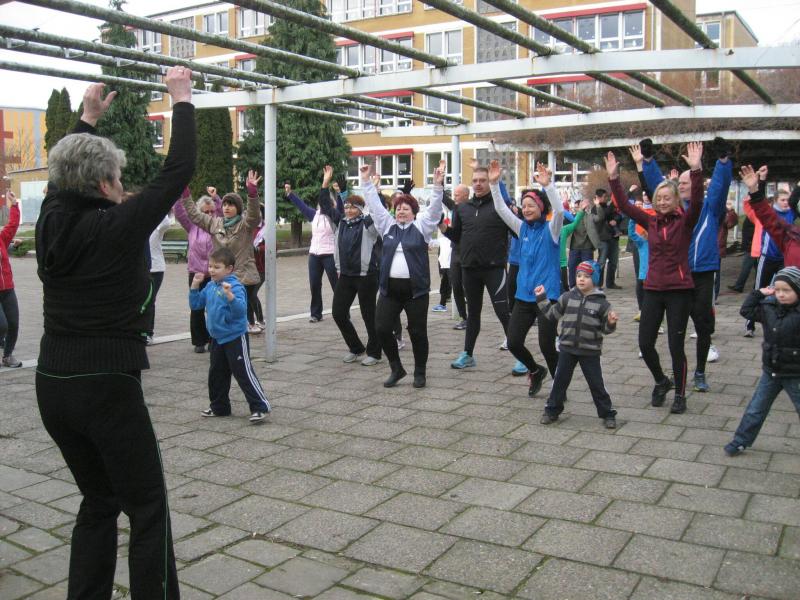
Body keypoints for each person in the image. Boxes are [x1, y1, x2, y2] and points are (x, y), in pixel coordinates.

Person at [34, 67, 193, 599]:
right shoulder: (116, 224)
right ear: (104, 185)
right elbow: (177, 171)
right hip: (106, 384)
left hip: (53, 384)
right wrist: (181, 99)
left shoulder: (51, 218)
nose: (125, 188)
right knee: (147, 507)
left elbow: (63, 174)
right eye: (119, 180)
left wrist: (87, 119)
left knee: (99, 500)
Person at [605, 142, 704, 414]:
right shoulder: (650, 221)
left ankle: (680, 394)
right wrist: (613, 178)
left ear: (676, 200)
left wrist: (696, 170)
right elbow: (625, 206)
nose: (662, 202)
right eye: (658, 198)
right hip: (653, 289)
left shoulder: (685, 221)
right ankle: (661, 381)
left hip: (679, 291)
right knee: (645, 343)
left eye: (667, 198)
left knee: (675, 345)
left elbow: (697, 202)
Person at [636, 138, 733, 393]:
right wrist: (648, 160)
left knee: (703, 325)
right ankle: (669, 378)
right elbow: (658, 186)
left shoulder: (709, 207)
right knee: (674, 335)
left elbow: (720, 186)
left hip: (702, 273)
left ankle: (699, 371)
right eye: (680, 183)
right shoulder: (674, 211)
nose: (681, 186)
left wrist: (723, 161)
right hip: (677, 278)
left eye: (686, 182)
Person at [362, 160, 444, 388]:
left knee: (417, 332)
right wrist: (366, 182)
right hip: (389, 291)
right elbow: (375, 207)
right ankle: (396, 368)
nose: (401, 211)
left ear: (414, 213)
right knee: (381, 328)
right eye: (398, 208)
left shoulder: (422, 227)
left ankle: (420, 371)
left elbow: (435, 210)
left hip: (416, 292)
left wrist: (438, 186)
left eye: (406, 209)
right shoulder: (387, 226)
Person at [489, 160, 564, 396]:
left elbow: (559, 211)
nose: (527, 209)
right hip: (523, 296)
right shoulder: (521, 229)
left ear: (541, 207)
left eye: (531, 205)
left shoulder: (552, 230)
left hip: (546, 296)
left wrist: (548, 186)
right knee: (513, 342)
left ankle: (559, 384)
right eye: (524, 206)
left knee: (546, 344)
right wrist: (494, 184)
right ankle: (535, 370)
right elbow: (501, 210)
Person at [725, 266, 800, 456]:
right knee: (756, 409)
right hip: (771, 371)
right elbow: (746, 311)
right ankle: (740, 441)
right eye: (778, 289)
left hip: (795, 373)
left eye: (787, 290)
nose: (781, 294)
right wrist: (758, 293)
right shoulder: (769, 307)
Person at [189, 247, 271, 422]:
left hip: (235, 337)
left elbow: (241, 312)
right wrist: (194, 286)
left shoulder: (235, 286)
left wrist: (230, 296)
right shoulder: (210, 286)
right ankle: (219, 407)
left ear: (229, 269)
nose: (212, 270)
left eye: (217, 267)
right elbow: (196, 305)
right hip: (217, 338)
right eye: (210, 266)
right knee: (216, 374)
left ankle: (260, 406)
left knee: (243, 372)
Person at [444, 164, 513, 370]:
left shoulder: (500, 206)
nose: (478, 184)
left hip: (494, 268)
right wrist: (442, 227)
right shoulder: (462, 208)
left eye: (482, 180)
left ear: (490, 182)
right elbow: (456, 236)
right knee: (473, 313)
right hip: (470, 269)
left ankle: (520, 356)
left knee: (503, 312)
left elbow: (516, 230)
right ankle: (468, 354)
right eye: (475, 181)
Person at [534, 261, 619, 428]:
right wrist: (542, 298)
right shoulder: (567, 297)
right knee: (559, 381)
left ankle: (607, 413)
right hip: (567, 349)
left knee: (596, 384)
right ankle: (551, 410)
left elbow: (606, 330)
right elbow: (552, 315)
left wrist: (611, 323)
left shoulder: (602, 304)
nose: (581, 279)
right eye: (579, 275)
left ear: (594, 279)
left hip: (590, 351)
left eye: (586, 276)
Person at [182, 170, 264, 333]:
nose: (226, 207)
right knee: (218, 312)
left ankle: (236, 338)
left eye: (231, 205)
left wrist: (252, 193)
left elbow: (254, 215)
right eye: (225, 204)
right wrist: (185, 192)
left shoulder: (245, 225)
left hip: (242, 277)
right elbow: (194, 214)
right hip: (221, 276)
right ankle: (218, 338)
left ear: (238, 208)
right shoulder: (215, 223)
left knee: (234, 315)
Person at [330, 169, 382, 367]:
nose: (349, 210)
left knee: (369, 315)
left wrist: (372, 190)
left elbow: (373, 213)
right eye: (346, 207)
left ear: (360, 209)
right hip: (346, 275)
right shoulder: (341, 224)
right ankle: (356, 347)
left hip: (366, 275)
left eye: (353, 207)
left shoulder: (368, 225)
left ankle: (375, 352)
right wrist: (342, 193)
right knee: (338, 313)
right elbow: (329, 208)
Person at [173, 187, 223, 353]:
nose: (209, 214)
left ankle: (214, 339)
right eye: (205, 211)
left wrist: (216, 198)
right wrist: (180, 194)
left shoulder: (216, 224)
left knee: (214, 308)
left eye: (211, 211)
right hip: (196, 273)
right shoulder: (192, 225)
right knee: (196, 308)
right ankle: (199, 341)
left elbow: (222, 212)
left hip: (215, 274)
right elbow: (180, 212)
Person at [285, 177, 339, 323]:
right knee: (314, 285)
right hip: (314, 255)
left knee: (336, 284)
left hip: (330, 254)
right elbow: (301, 206)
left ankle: (342, 311)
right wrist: (290, 194)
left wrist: (338, 194)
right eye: (320, 202)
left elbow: (340, 207)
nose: (321, 204)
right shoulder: (314, 215)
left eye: (325, 202)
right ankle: (316, 313)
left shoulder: (334, 216)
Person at [443, 183, 470, 330]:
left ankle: (472, 317)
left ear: (466, 195)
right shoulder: (455, 207)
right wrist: (439, 183)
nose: (454, 197)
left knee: (469, 286)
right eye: (454, 194)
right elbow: (443, 198)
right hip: (455, 252)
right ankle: (463, 318)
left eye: (457, 195)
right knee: (456, 285)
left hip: (467, 252)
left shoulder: (471, 208)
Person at [0, 190, 21, 368]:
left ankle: (8, 356)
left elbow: (13, 225)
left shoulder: (2, 238)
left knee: (13, 323)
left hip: (7, 289)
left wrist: (14, 204)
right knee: (2, 325)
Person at [145, 212, 172, 345]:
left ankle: (148, 333)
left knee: (150, 300)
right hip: (141, 268)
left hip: (156, 269)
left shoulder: (157, 227)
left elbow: (167, 222)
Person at [590, 188, 621, 290]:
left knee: (614, 261)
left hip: (613, 237)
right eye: (604, 197)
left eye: (606, 196)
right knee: (601, 262)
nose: (606, 198)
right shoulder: (595, 209)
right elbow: (603, 216)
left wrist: (615, 220)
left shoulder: (608, 206)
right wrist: (611, 204)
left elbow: (617, 215)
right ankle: (598, 284)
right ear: (598, 197)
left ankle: (610, 283)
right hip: (603, 239)